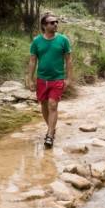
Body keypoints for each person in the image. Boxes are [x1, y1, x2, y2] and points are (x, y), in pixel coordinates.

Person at [27, 12, 72, 148]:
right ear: (44, 26)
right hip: (42, 80)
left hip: (57, 79)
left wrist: (69, 78)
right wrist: (29, 79)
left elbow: (69, 60)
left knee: (53, 105)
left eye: (56, 22)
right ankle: (51, 128)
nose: (55, 24)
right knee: (44, 106)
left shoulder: (63, 40)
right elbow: (32, 61)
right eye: (52, 23)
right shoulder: (36, 42)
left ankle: (50, 135)